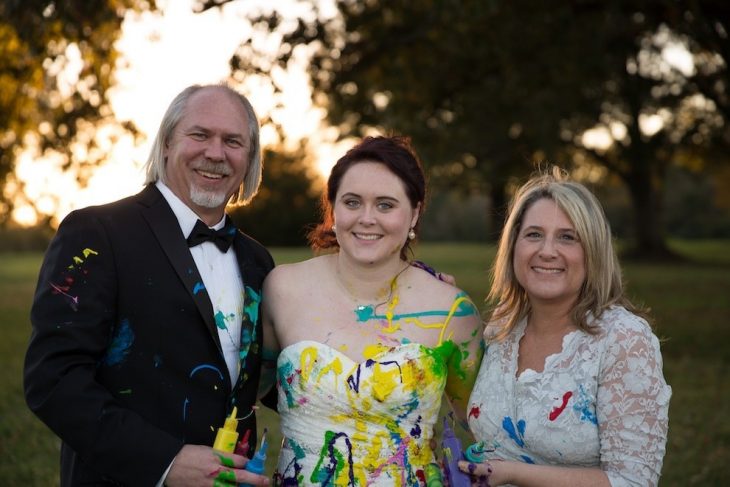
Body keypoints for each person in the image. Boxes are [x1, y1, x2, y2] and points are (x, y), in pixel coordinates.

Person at [24, 84, 273, 486]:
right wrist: (166, 462)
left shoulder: (258, 261)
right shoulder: (97, 233)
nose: (215, 152)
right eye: (199, 135)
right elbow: (52, 379)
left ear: (250, 158)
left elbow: (267, 378)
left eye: (232, 141)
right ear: (168, 144)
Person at [260, 135, 484, 485]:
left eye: (385, 205)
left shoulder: (451, 312)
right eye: (352, 202)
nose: (367, 218)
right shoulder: (282, 289)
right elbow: (249, 394)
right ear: (333, 210)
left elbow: (483, 430)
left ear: (415, 213)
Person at [460, 167, 671, 486]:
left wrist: (513, 473)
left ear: (593, 252)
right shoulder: (502, 328)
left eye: (567, 237)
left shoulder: (623, 339)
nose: (547, 251)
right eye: (533, 234)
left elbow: (632, 480)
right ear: (513, 245)